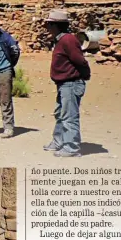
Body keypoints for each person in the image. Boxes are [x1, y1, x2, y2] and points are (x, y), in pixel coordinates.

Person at [44, 9, 91, 157]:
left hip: (70, 83)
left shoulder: (68, 40)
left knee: (69, 116)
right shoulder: (61, 40)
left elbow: (80, 61)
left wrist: (83, 76)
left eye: (50, 25)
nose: (48, 28)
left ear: (56, 26)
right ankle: (58, 141)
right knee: (60, 114)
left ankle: (71, 147)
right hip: (63, 84)